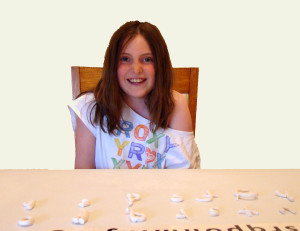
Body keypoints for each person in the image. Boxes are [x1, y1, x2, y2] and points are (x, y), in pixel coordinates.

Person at [68, 21, 200, 169]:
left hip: (160, 192)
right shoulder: (89, 108)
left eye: (147, 59)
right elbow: (83, 180)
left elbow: (185, 175)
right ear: (112, 64)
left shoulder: (174, 105)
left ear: (160, 65)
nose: (136, 69)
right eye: (125, 59)